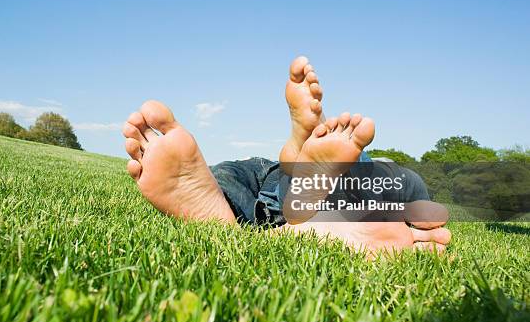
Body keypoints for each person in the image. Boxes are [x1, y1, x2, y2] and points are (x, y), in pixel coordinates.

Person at [122, 57, 451, 256]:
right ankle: (303, 188)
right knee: (396, 183)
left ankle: (292, 177)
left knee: (225, 177)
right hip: (325, 194)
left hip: (272, 182)